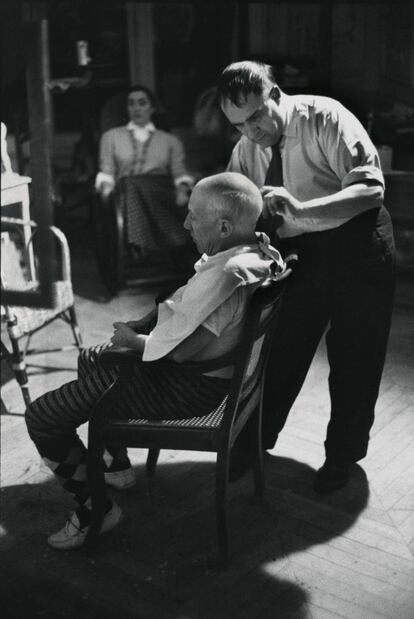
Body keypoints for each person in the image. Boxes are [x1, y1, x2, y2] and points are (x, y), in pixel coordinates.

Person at [25, 172, 286, 550]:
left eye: (193, 217)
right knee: (91, 356)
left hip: (190, 389)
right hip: (223, 379)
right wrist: (148, 324)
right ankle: (115, 467)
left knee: (42, 417)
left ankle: (95, 508)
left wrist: (135, 340)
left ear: (225, 227)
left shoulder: (227, 274)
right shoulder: (254, 252)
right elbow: (190, 316)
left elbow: (181, 350)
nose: (184, 224)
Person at [218, 60, 396, 493]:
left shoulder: (326, 117)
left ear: (276, 96)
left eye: (256, 116)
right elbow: (235, 200)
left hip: (359, 242)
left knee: (356, 355)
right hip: (303, 252)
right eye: (239, 125)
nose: (252, 131)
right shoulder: (248, 146)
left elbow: (370, 189)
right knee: (279, 350)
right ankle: (253, 443)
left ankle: (342, 456)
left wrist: (300, 212)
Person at [95, 84, 194, 258]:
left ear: (152, 108)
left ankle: (140, 245)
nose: (136, 108)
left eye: (142, 103)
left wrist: (183, 187)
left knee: (132, 184)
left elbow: (179, 172)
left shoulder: (170, 141)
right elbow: (107, 170)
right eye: (131, 103)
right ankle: (147, 244)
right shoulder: (110, 137)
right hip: (124, 194)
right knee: (129, 184)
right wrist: (104, 187)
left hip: (162, 191)